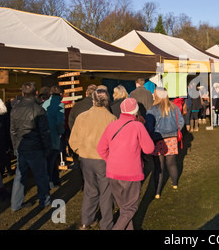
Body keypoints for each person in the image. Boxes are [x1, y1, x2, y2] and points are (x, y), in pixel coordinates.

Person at [97, 98, 154, 230]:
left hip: (113, 173)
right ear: (135, 111)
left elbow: (101, 149)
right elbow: (149, 149)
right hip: (132, 173)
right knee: (130, 209)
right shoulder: (138, 126)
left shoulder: (111, 125)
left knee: (124, 209)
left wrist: (111, 161)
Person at [69, 88, 117, 230]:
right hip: (103, 160)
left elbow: (73, 140)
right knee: (106, 192)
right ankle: (106, 224)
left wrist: (80, 151)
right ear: (107, 101)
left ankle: (86, 221)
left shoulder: (82, 116)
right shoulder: (111, 118)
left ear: (93, 100)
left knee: (90, 190)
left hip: (86, 158)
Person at [10, 82, 51, 211]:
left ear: (22, 93)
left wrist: (16, 147)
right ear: (36, 93)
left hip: (23, 147)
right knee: (40, 175)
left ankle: (16, 204)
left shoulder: (15, 108)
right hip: (35, 148)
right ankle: (44, 201)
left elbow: (13, 132)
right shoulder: (38, 109)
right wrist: (47, 148)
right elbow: (45, 133)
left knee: (20, 176)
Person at [145, 88, 184, 199]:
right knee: (172, 163)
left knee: (159, 167)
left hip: (158, 140)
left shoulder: (152, 110)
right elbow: (181, 122)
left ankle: (157, 192)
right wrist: (175, 132)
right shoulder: (174, 107)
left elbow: (149, 127)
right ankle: (175, 184)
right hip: (172, 139)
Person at [42, 85, 65, 190]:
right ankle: (49, 181)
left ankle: (55, 180)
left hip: (44, 135)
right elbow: (60, 122)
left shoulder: (44, 104)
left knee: (50, 160)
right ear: (61, 94)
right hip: (54, 135)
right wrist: (61, 131)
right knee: (51, 160)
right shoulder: (60, 104)